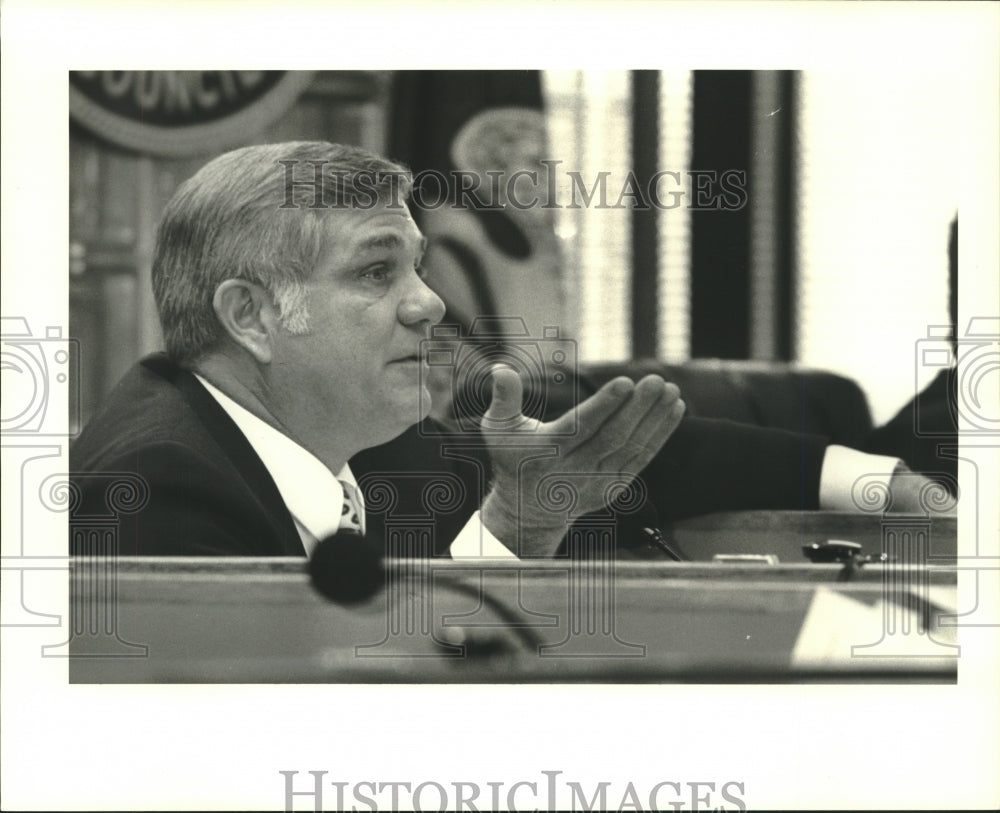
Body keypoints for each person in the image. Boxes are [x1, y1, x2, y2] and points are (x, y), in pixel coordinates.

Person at [70, 141, 939, 559]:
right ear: (251, 315)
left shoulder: (351, 429)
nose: (431, 303)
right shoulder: (151, 491)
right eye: (377, 271)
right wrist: (514, 533)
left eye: (417, 263)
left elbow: (635, 452)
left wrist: (883, 480)